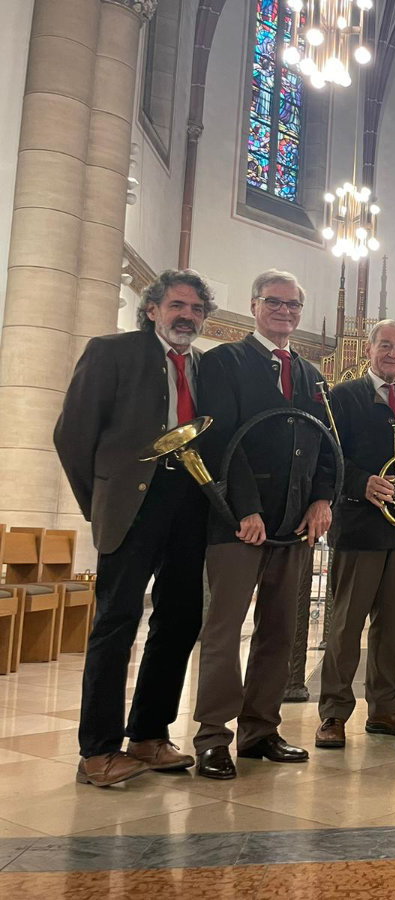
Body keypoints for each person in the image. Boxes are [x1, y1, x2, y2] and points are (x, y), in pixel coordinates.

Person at [55, 270, 214, 786]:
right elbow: (73, 435)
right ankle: (97, 749)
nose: (185, 315)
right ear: (152, 309)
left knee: (180, 618)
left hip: (189, 500)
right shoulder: (112, 352)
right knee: (117, 622)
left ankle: (148, 734)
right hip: (132, 503)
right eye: (176, 305)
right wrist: (100, 500)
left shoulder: (205, 367)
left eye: (195, 308)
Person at [192, 269, 336, 779]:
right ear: (254, 305)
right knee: (225, 628)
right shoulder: (225, 360)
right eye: (275, 302)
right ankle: (212, 735)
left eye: (294, 305)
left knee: (279, 629)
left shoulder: (314, 375)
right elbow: (220, 439)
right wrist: (245, 508)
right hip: (237, 522)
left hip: (296, 524)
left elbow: (325, 444)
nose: (285, 312)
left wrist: (322, 500)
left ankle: (261, 729)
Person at [314, 321, 395, 750]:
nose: (394, 354)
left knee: (393, 626)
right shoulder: (344, 397)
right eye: (385, 345)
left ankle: (385, 708)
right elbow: (327, 457)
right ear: (368, 350)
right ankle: (333, 711)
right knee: (347, 625)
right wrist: (361, 482)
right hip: (361, 529)